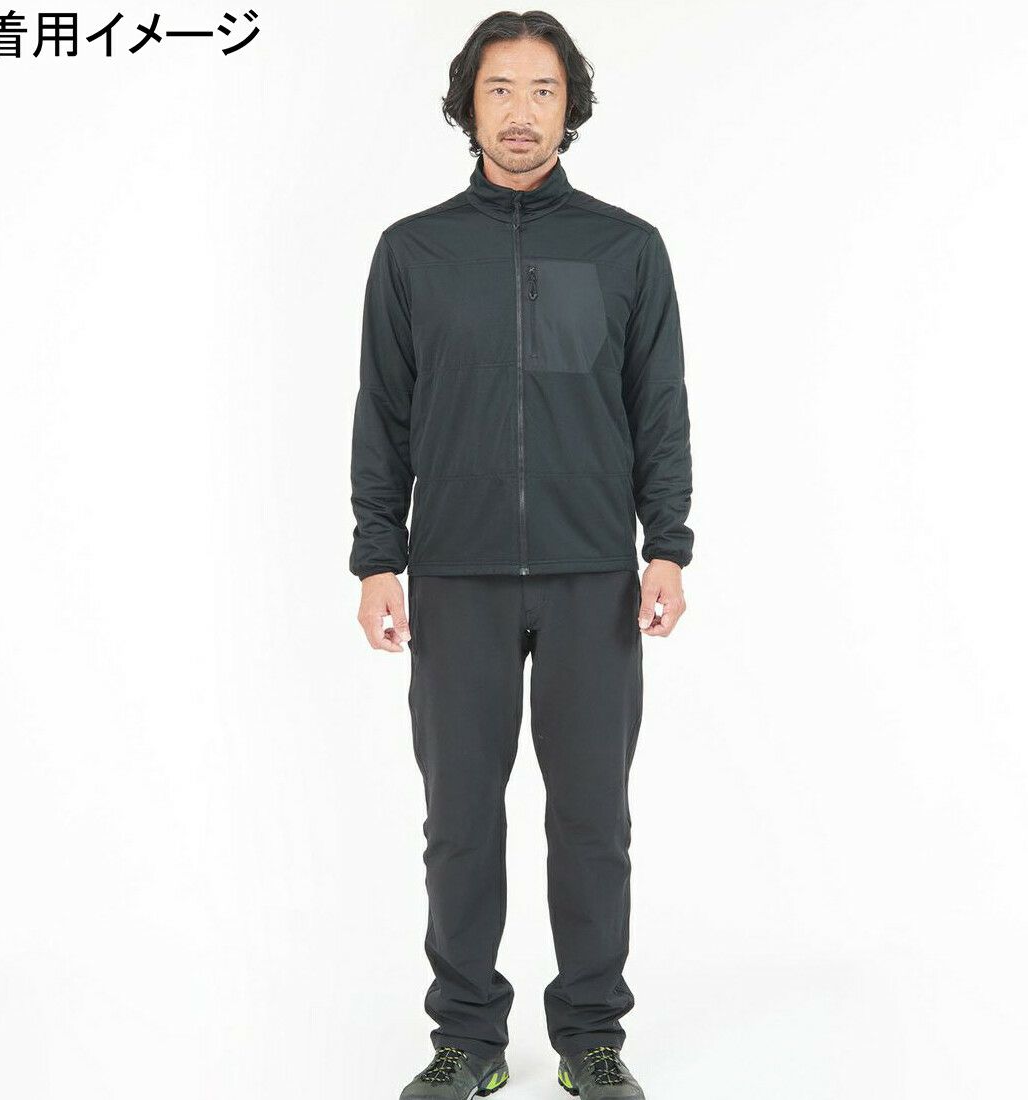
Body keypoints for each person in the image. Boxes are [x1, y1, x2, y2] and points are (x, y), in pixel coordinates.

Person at [349, 11, 693, 1099]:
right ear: (468, 102)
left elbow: (658, 409)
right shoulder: (413, 251)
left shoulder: (625, 247)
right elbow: (382, 414)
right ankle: (467, 1037)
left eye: (542, 90)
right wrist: (377, 558)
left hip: (594, 573)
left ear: (569, 106)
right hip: (455, 575)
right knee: (458, 822)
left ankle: (591, 1036)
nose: (520, 111)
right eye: (499, 88)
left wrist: (667, 543)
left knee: (591, 820)